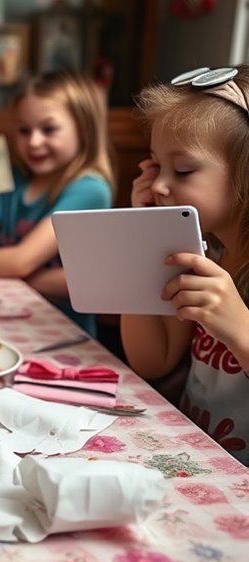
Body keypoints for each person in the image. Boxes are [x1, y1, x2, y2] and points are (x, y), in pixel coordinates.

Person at [122, 66, 249, 465]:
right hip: (197, 458)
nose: (158, 185)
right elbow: (152, 359)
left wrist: (241, 331)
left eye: (183, 170)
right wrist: (142, 238)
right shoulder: (203, 255)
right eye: (156, 165)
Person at [0, 70, 113, 335]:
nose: (34, 142)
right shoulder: (10, 175)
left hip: (59, 330)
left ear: (84, 130)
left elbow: (20, 262)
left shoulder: (90, 189)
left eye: (49, 129)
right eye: (24, 130)